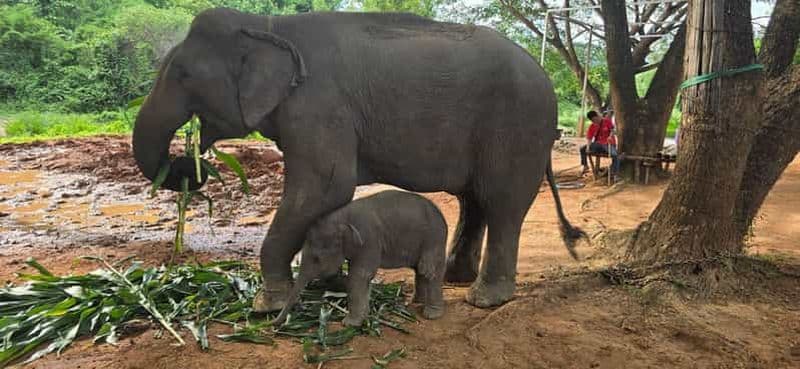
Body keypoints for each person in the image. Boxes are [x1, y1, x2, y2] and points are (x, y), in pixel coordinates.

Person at [580, 110, 620, 177]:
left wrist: (610, 136)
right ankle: (585, 165)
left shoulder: (607, 122)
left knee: (615, 155)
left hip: (608, 144)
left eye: (596, 118)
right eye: (593, 120)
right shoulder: (592, 126)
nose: (595, 121)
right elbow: (589, 138)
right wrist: (588, 147)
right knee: (582, 149)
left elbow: (613, 130)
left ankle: (615, 173)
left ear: (597, 116)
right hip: (598, 145)